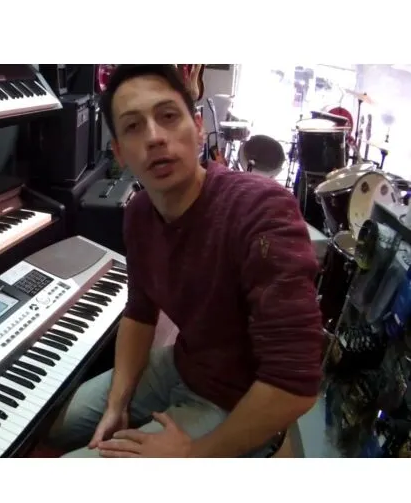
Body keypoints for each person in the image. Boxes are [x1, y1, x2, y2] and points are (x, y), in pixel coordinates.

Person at [46, 64, 323, 457]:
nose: (154, 137)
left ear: (197, 127)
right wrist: (117, 404)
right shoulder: (140, 212)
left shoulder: (261, 209)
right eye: (133, 126)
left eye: (168, 116)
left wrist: (192, 456)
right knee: (55, 427)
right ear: (119, 153)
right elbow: (140, 313)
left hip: (237, 398)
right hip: (182, 364)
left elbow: (295, 384)